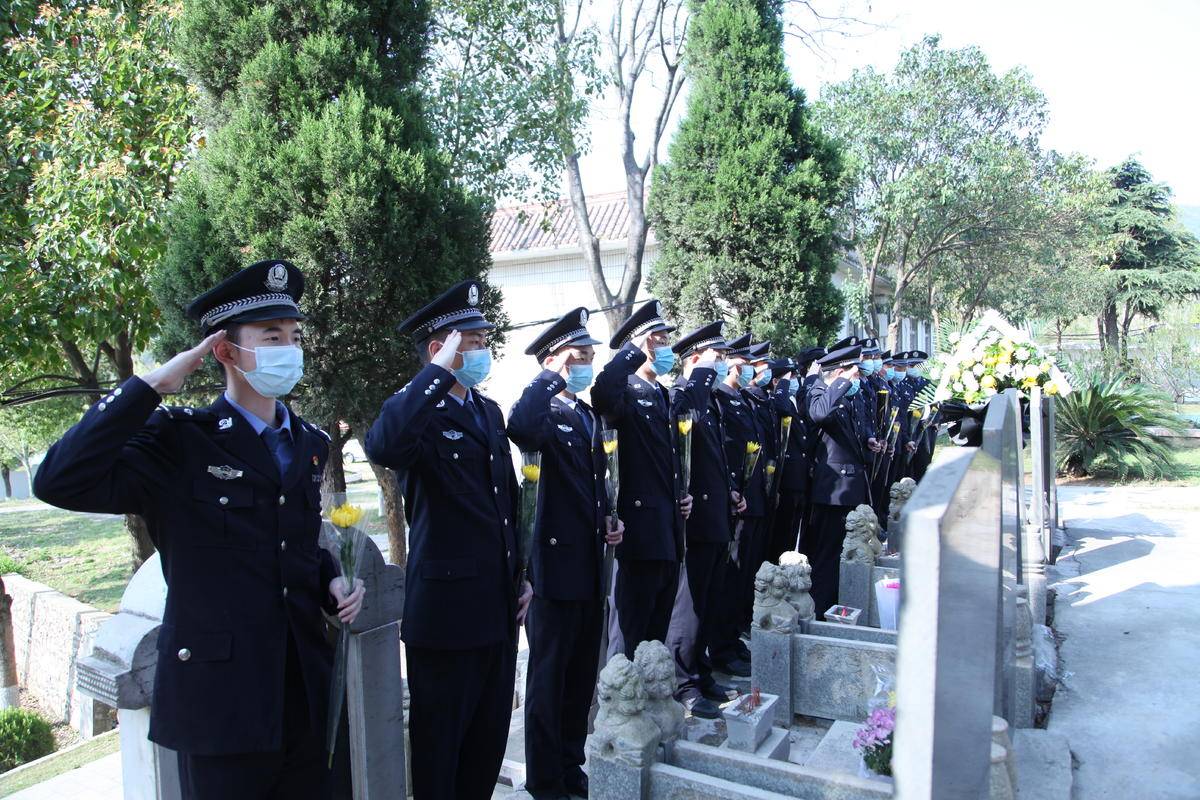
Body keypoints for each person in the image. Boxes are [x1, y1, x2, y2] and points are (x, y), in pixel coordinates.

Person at [34, 260, 365, 800]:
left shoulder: (306, 442)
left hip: (306, 692)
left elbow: (294, 543)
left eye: (295, 336)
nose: (290, 349)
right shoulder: (180, 441)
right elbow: (58, 479)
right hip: (221, 706)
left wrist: (332, 578)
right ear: (226, 351)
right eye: (272, 336)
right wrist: (149, 386)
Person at [363, 280, 531, 800]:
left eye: (483, 341)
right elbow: (384, 444)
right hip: (447, 619)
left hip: (498, 614)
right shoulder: (415, 411)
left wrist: (520, 577)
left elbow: (504, 507)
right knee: (441, 759)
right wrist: (435, 374)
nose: (484, 352)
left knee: (484, 750)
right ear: (442, 349)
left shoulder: (487, 412)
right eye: (474, 343)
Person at [507, 308, 624, 800]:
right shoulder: (546, 412)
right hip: (553, 571)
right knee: (549, 682)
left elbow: (590, 488)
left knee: (580, 681)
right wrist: (547, 375)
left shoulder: (585, 415)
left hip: (589, 566)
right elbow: (520, 428)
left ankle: (571, 766)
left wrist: (608, 521)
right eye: (578, 358)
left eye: (591, 357)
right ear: (553, 361)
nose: (587, 365)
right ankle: (545, 779)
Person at [591, 300, 693, 660]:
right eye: (658, 340)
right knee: (630, 639)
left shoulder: (661, 393)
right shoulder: (626, 391)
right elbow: (602, 394)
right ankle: (623, 709)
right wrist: (632, 350)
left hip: (667, 532)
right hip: (639, 536)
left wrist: (683, 495)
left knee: (655, 639)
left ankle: (651, 706)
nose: (665, 347)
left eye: (666, 339)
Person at [663, 321, 744, 719]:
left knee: (710, 600)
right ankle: (684, 682)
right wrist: (696, 379)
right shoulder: (683, 394)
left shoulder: (708, 399)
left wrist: (731, 487)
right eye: (716, 357)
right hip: (694, 521)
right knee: (689, 606)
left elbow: (715, 456)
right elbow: (680, 440)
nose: (723, 365)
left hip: (716, 516)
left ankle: (702, 671)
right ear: (694, 360)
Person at [707, 333, 762, 677]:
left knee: (738, 577)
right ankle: (721, 646)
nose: (746, 369)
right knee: (725, 581)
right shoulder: (719, 397)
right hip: (727, 501)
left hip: (743, 497)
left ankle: (729, 640)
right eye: (736, 362)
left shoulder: (739, 397)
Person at [801, 344, 870, 617]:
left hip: (849, 486)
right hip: (833, 490)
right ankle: (819, 609)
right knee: (828, 555)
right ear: (840, 372)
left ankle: (833, 604)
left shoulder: (842, 396)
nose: (857, 382)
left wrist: (869, 442)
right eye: (854, 374)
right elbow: (819, 414)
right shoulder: (818, 390)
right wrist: (842, 381)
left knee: (841, 551)